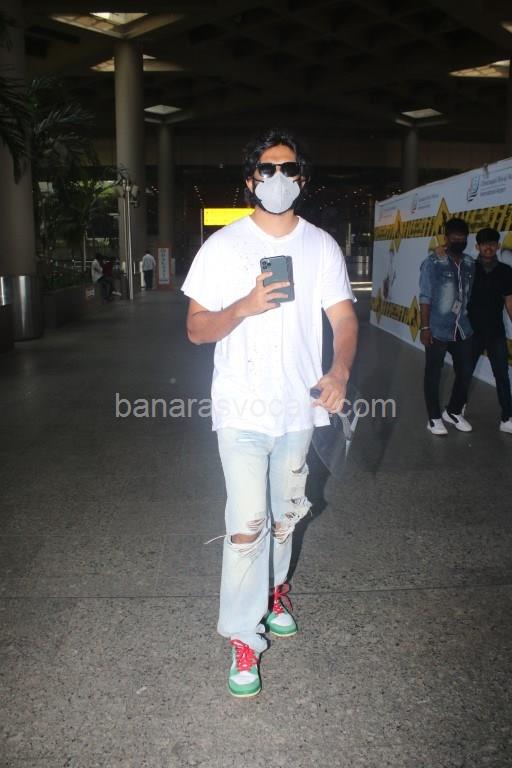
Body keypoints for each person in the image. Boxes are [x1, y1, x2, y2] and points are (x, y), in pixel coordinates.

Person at [182, 129, 358, 697]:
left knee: (286, 517)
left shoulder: (321, 246)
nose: (277, 178)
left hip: (298, 410)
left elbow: (344, 320)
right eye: (266, 168)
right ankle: (242, 635)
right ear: (250, 179)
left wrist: (339, 373)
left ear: (302, 178)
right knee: (247, 525)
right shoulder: (223, 247)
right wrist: (245, 305)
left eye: (288, 168)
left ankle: (275, 590)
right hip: (240, 409)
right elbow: (196, 329)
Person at [419, 218, 475, 435]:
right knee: (434, 373)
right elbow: (425, 297)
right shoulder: (433, 262)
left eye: (462, 238)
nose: (458, 241)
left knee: (466, 371)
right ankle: (433, 418)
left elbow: (469, 294)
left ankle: (453, 411)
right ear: (446, 238)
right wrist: (425, 328)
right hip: (437, 328)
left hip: (462, 327)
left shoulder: (470, 263)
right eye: (454, 238)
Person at [467, 227, 512, 433]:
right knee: (464, 373)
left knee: (502, 375)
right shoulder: (468, 268)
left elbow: (509, 302)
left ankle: (507, 417)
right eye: (484, 244)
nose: (489, 248)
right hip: (471, 331)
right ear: (477, 246)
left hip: (496, 332)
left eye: (492, 244)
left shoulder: (505, 271)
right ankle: (457, 408)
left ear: (498, 246)